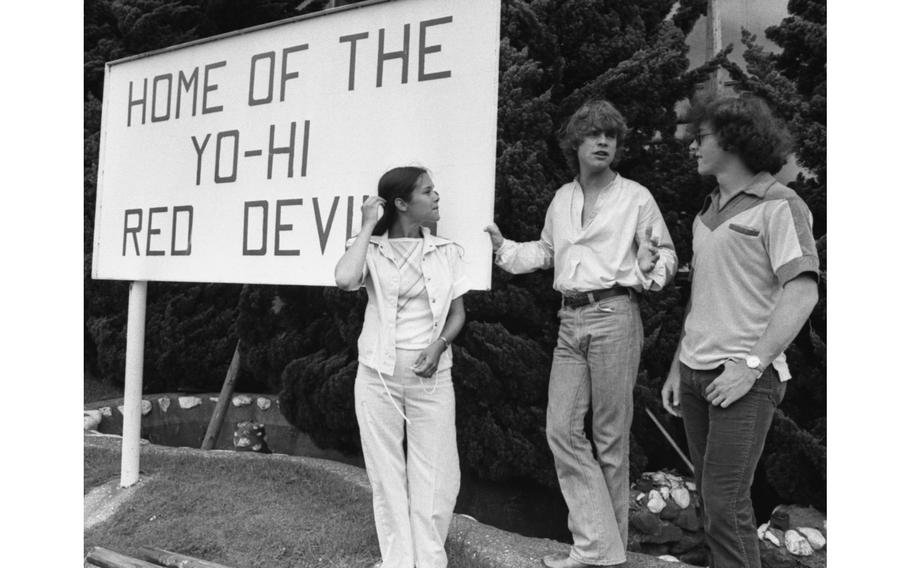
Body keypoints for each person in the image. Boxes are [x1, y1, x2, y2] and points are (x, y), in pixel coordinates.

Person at [485, 100, 677, 568]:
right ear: (576, 142)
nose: (604, 142)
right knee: (561, 430)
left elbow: (665, 258)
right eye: (594, 135)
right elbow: (547, 252)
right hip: (569, 320)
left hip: (614, 313)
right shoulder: (561, 199)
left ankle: (599, 553)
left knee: (610, 438)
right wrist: (502, 249)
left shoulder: (636, 197)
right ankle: (602, 548)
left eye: (611, 136)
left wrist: (654, 264)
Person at [660, 94, 819, 568]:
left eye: (700, 137)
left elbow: (803, 292)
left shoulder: (780, 206)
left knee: (726, 505)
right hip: (694, 374)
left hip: (743, 381)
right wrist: (675, 368)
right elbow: (701, 300)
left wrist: (752, 365)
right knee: (714, 504)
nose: (692, 146)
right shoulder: (705, 213)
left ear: (732, 138)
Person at [335, 166, 468, 568]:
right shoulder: (370, 249)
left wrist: (439, 345)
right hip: (378, 376)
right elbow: (345, 279)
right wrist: (366, 225)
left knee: (437, 477)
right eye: (428, 192)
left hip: (433, 375)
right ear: (401, 203)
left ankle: (429, 562)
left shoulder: (448, 251)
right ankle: (397, 562)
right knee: (386, 476)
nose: (437, 197)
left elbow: (458, 314)